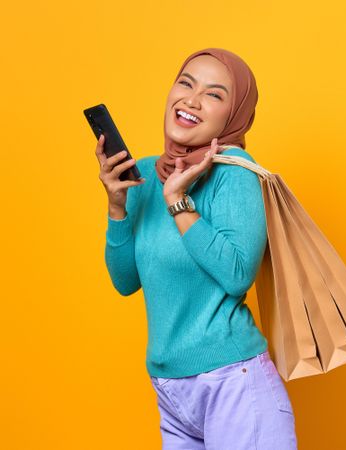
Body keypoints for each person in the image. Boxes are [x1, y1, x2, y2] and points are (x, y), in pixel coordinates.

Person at [95, 47, 298, 450]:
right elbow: (125, 281)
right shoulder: (146, 176)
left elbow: (238, 274)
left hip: (232, 384)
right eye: (186, 83)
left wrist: (178, 202)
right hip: (171, 391)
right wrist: (117, 206)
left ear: (233, 116)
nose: (192, 99)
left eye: (214, 94)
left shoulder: (234, 174)